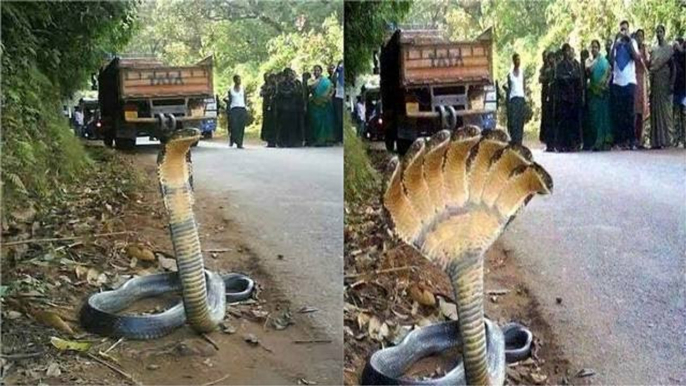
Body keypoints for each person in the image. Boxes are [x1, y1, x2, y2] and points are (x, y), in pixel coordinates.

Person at [609, 20, 640, 149]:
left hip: (629, 81)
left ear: (628, 30)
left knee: (629, 112)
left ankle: (631, 140)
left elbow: (636, 58)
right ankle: (620, 141)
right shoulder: (615, 43)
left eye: (625, 29)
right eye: (621, 29)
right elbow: (611, 61)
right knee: (619, 113)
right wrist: (614, 46)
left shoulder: (632, 42)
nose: (623, 32)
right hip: (617, 81)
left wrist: (628, 42)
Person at [648, 25, 675, 149]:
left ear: (664, 33)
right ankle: (656, 141)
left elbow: (673, 67)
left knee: (665, 111)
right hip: (655, 82)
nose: (658, 33)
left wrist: (671, 83)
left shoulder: (669, 49)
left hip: (665, 82)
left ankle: (667, 139)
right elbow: (651, 68)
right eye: (657, 31)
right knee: (655, 110)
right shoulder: (653, 50)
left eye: (660, 31)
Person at [555, 43, 583, 152]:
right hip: (563, 98)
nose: (568, 53)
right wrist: (569, 78)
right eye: (566, 51)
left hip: (573, 97)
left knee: (573, 122)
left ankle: (573, 144)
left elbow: (578, 77)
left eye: (569, 51)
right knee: (563, 121)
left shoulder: (575, 64)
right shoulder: (560, 65)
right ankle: (562, 144)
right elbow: (559, 78)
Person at [587, 39, 613, 151]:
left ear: (599, 48)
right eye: (592, 47)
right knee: (595, 118)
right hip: (594, 92)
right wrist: (596, 60)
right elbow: (589, 70)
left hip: (604, 92)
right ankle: (598, 141)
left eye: (596, 47)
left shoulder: (604, 61)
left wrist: (606, 83)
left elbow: (610, 72)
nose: (594, 49)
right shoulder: (589, 61)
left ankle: (606, 142)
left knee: (605, 117)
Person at [274, 68, 305, 147]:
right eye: (289, 74)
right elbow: (280, 93)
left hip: (293, 108)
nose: (290, 75)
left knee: (293, 125)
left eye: (291, 74)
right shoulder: (281, 84)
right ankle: (282, 142)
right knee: (284, 126)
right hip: (284, 108)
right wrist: (290, 93)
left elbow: (298, 93)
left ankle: (292, 142)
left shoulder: (294, 84)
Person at [308, 65, 336, 146]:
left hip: (326, 104)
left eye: (318, 70)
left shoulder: (326, 81)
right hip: (316, 105)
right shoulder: (311, 81)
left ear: (321, 71)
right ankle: (319, 140)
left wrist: (328, 97)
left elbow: (332, 89)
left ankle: (328, 140)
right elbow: (310, 88)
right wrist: (317, 82)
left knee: (327, 121)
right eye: (315, 70)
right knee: (317, 122)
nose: (316, 72)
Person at [633, 29, 650, 148]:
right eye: (638, 36)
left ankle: (641, 139)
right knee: (635, 111)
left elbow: (648, 63)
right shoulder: (633, 49)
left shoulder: (645, 49)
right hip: (634, 79)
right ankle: (634, 138)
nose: (640, 38)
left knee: (643, 110)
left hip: (642, 80)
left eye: (641, 36)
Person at [505, 53, 526, 145]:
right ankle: (514, 139)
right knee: (513, 121)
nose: (518, 62)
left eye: (519, 60)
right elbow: (509, 88)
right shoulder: (510, 74)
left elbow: (524, 86)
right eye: (516, 60)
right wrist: (508, 101)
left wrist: (525, 98)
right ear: (513, 61)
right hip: (513, 99)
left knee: (520, 121)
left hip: (521, 98)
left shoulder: (522, 73)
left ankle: (519, 141)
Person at [539, 51, 556, 151]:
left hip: (554, 96)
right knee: (547, 119)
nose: (549, 60)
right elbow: (540, 78)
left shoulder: (554, 69)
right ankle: (549, 143)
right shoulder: (545, 69)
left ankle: (553, 143)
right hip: (547, 96)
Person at [227, 74, 247, 149]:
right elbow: (230, 100)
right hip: (234, 109)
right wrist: (229, 111)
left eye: (240, 79)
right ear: (234, 80)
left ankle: (240, 143)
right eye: (238, 79)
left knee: (241, 126)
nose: (239, 81)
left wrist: (245, 107)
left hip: (242, 108)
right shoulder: (231, 89)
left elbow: (245, 98)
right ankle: (234, 138)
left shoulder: (243, 88)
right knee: (234, 126)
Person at [673, 38, 686, 147]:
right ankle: (677, 139)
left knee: (684, 113)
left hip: (684, 89)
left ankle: (684, 138)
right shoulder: (674, 55)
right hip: (677, 88)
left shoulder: (683, 53)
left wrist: (681, 50)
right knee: (676, 113)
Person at [260, 73, 277, 147]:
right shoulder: (265, 86)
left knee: (274, 124)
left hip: (274, 106)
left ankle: (274, 140)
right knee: (267, 124)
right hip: (266, 106)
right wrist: (267, 92)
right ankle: (269, 140)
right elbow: (261, 93)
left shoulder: (276, 86)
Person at [580, 48, 592, 150]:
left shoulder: (588, 66)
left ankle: (588, 142)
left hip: (589, 95)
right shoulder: (579, 67)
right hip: (582, 95)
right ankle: (584, 142)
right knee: (583, 120)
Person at [333, 61, 345, 144]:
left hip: (341, 97)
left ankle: (341, 138)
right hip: (338, 97)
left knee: (341, 120)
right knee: (338, 119)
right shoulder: (337, 76)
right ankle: (338, 138)